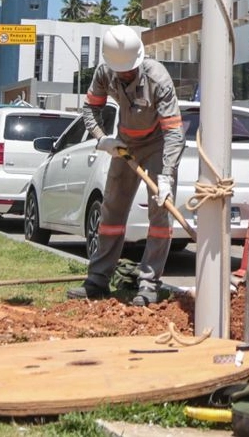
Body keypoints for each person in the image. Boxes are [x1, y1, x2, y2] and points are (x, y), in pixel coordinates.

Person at [67, 24, 184, 307]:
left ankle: (148, 285)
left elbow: (174, 131)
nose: (124, 74)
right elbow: (89, 109)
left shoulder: (158, 79)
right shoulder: (105, 72)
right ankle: (97, 280)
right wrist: (102, 139)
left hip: (157, 146)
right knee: (111, 213)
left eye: (129, 70)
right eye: (120, 70)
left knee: (160, 218)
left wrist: (166, 176)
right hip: (124, 146)